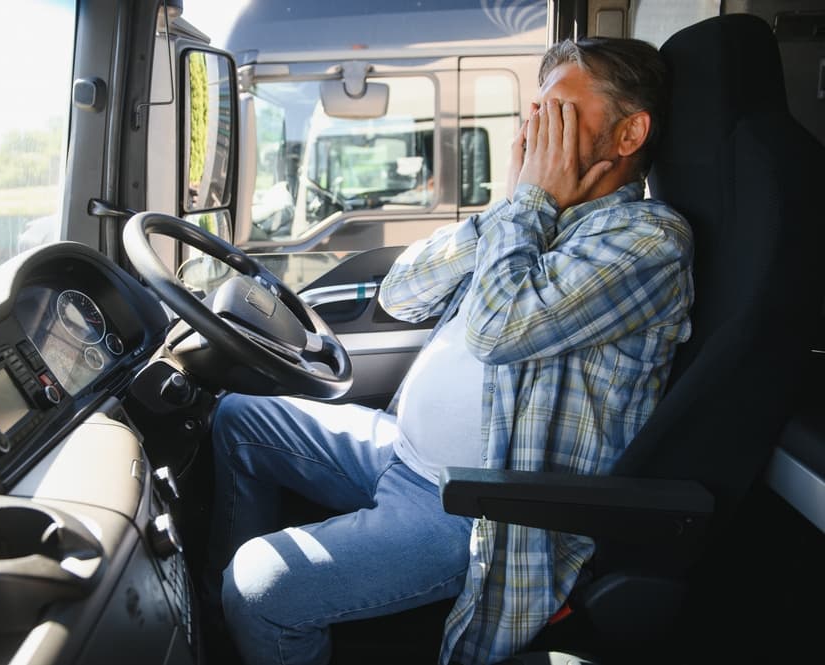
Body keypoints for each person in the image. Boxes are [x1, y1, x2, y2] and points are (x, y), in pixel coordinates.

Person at [202, 36, 694, 665]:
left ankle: (254, 616)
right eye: (536, 109)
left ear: (629, 135)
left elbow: (496, 332)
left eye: (560, 111)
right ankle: (229, 623)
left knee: (262, 583)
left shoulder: (649, 241)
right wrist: (511, 209)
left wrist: (530, 204)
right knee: (239, 418)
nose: (536, 127)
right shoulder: (529, 218)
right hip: (400, 450)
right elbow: (401, 294)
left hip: (478, 509)